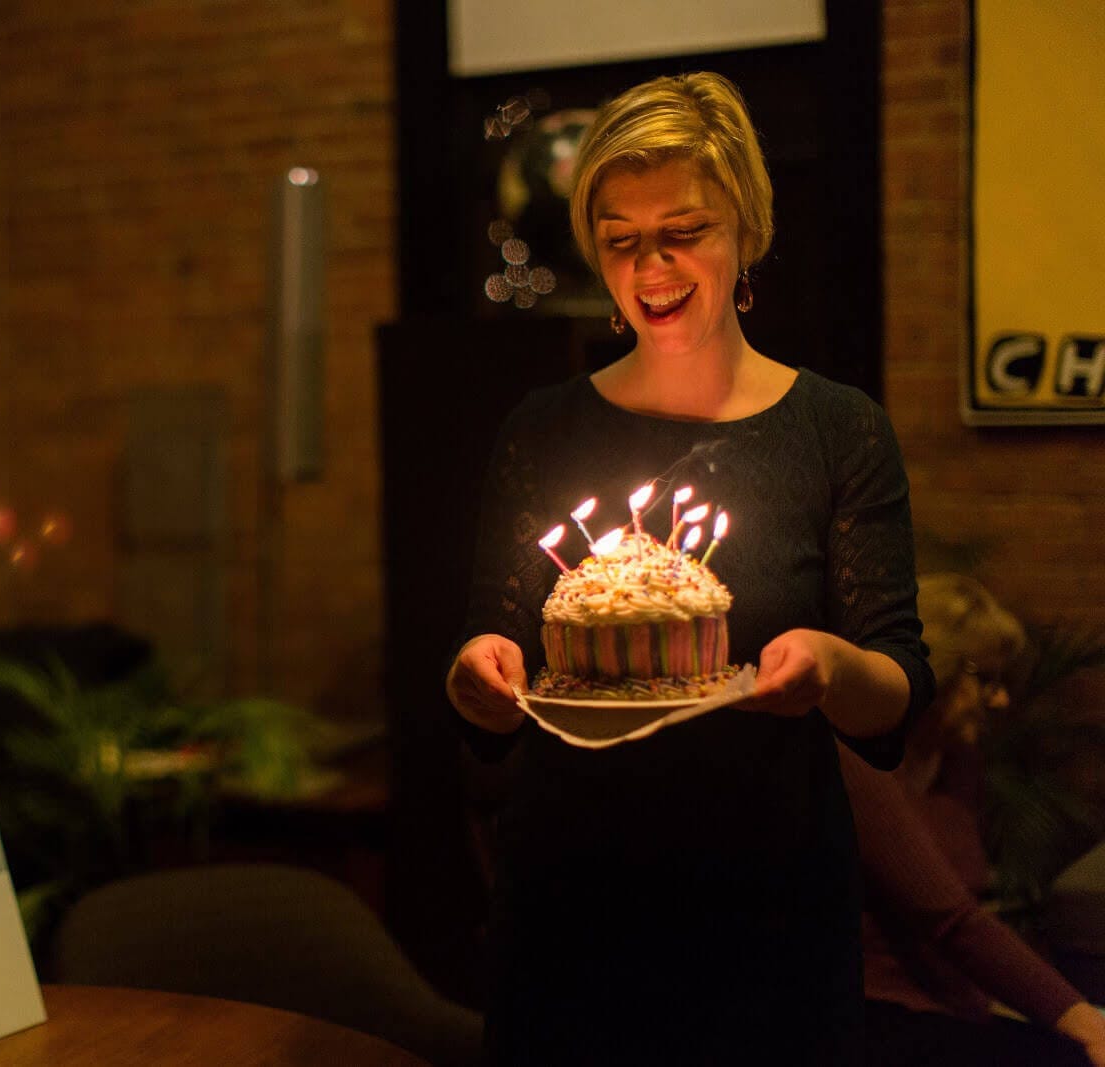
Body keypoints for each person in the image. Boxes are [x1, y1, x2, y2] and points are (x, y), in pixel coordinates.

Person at [444, 72, 935, 1064]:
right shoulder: (541, 428)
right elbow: (491, 667)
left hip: (768, 916)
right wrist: (479, 681)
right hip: (571, 912)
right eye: (620, 237)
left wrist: (832, 667)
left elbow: (899, 694)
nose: (651, 264)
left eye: (683, 230)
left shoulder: (838, 430)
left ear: (744, 226)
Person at [845, 573, 1105, 1066]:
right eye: (986, 678)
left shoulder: (956, 757)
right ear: (933, 669)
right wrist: (1085, 1020)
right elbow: (949, 919)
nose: (1002, 699)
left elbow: (974, 905)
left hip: (958, 1011)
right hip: (880, 1016)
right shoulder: (859, 761)